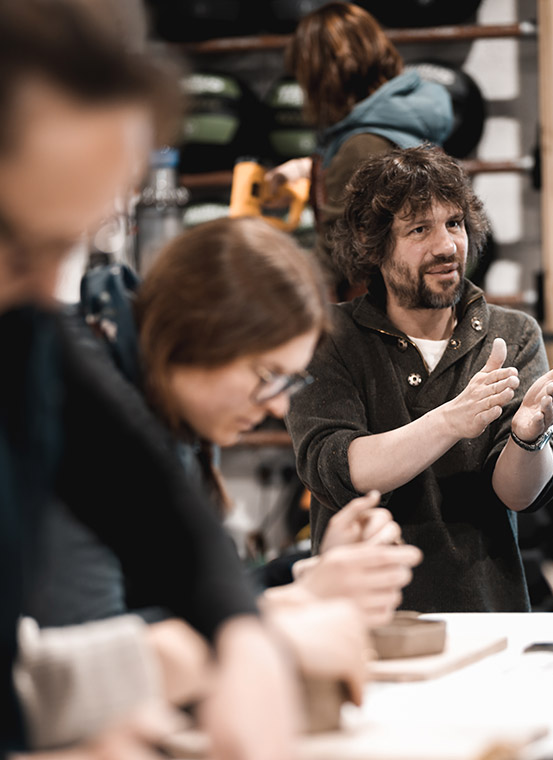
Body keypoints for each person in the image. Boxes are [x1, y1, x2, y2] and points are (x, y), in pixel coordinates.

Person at [0, 0, 301, 760]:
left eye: (64, 248)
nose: (42, 288)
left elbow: (142, 493)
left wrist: (238, 633)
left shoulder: (16, 325)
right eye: (22, 245)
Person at [22, 217, 422, 721]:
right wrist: (289, 608)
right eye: (269, 376)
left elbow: (186, 595)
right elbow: (89, 660)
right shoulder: (86, 416)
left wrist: (307, 568)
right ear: (200, 337)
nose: (278, 407)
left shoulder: (168, 409)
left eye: (289, 382)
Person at [286, 144, 553, 613]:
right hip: (367, 621)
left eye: (454, 223)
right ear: (377, 246)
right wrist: (452, 420)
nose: (447, 246)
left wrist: (528, 439)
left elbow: (521, 496)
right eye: (419, 229)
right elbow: (340, 469)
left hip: (488, 616)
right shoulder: (331, 337)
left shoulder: (512, 334)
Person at [266, 1, 454, 298]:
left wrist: (271, 287)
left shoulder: (362, 146)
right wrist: (304, 168)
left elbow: (337, 253)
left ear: (322, 76)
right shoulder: (400, 125)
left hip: (374, 321)